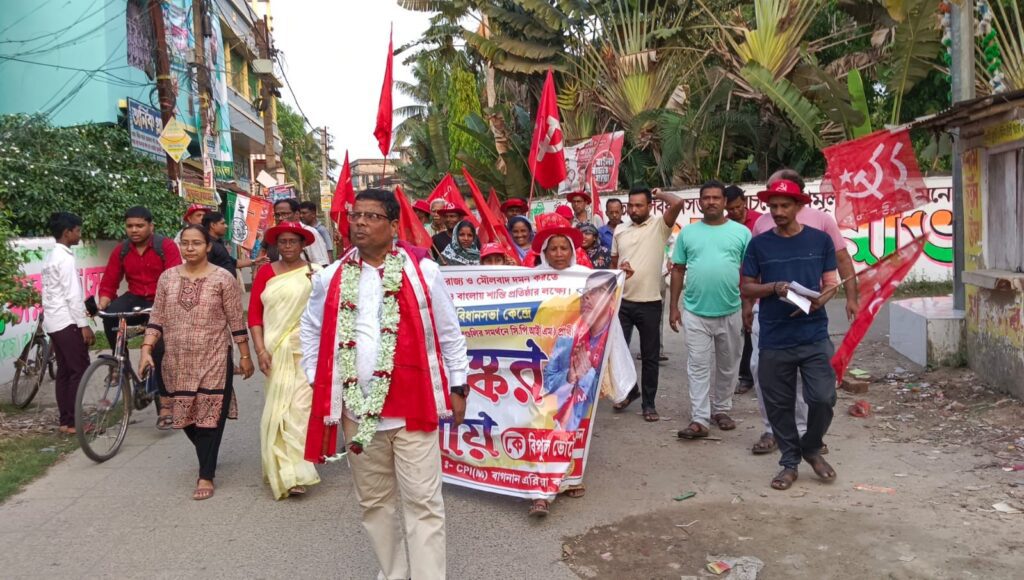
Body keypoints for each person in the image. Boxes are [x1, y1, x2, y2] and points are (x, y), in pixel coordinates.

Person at [300, 189, 469, 580]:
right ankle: (392, 573)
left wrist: (458, 385)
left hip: (414, 408)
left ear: (394, 225)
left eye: (371, 216)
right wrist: (315, 377)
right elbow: (309, 329)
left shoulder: (423, 271)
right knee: (374, 503)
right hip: (357, 411)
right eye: (355, 215)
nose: (360, 222)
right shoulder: (331, 276)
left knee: (423, 502)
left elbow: (449, 333)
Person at [139, 225, 254, 500]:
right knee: (188, 419)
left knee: (210, 418)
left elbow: (236, 320)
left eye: (196, 243)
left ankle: (205, 475)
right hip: (177, 360)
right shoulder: (167, 278)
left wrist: (245, 355)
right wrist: (146, 349)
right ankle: (207, 454)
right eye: (185, 243)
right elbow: (157, 316)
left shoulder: (222, 278)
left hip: (214, 356)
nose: (190, 248)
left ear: (208, 246)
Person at [527, 219, 633, 518]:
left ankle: (570, 478)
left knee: (578, 427)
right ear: (545, 253)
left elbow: (606, 304)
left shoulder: (587, 279)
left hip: (586, 365)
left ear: (572, 251)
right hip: (546, 365)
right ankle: (540, 491)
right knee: (545, 426)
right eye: (553, 249)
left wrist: (621, 277)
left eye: (564, 248)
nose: (559, 254)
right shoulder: (533, 281)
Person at [746, 169, 856, 455]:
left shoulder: (821, 229)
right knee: (764, 376)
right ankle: (776, 435)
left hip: (811, 325)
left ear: (799, 202)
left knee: (820, 394)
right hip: (769, 320)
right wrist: (761, 297)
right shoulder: (760, 231)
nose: (778, 211)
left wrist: (832, 297)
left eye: (784, 204)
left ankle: (808, 436)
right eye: (773, 203)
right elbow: (749, 280)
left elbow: (835, 272)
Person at [669, 180, 751, 439]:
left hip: (731, 310)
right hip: (695, 312)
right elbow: (678, 270)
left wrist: (748, 307)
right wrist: (673, 307)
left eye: (716, 198)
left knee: (728, 365)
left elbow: (751, 274)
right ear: (700, 202)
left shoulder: (741, 233)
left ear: (724, 202)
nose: (711, 202)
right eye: (707, 198)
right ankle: (700, 418)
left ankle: (722, 410)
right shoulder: (688, 233)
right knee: (698, 366)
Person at [248, 222, 322, 500]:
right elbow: (254, 315)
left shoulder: (316, 273)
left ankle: (298, 471)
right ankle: (286, 473)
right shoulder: (266, 272)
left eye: (293, 241)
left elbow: (328, 312)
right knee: (278, 409)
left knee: (300, 409)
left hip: (307, 352)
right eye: (283, 242)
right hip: (275, 351)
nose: (288, 246)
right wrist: (259, 351)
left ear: (303, 245)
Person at [97, 206, 182, 428]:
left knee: (160, 350)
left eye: (139, 226)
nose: (134, 230)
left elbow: (175, 279)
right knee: (110, 316)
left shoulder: (166, 246)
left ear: (151, 226)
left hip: (161, 299)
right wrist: (102, 304)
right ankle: (119, 363)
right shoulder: (121, 250)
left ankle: (165, 406)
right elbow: (109, 282)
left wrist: (164, 308)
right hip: (135, 297)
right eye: (130, 226)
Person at [610, 185, 686, 422]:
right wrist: (620, 269)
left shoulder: (659, 226)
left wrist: (659, 194)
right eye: (630, 205)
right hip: (622, 302)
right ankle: (629, 391)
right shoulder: (620, 230)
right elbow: (613, 265)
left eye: (639, 205)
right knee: (616, 353)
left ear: (650, 206)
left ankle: (649, 404)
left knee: (650, 357)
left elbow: (678, 203)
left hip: (650, 303)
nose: (633, 210)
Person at [41, 212, 94, 434]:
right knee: (78, 370)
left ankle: (66, 421)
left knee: (64, 371)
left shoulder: (52, 256)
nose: (79, 235)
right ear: (67, 232)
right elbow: (72, 295)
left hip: (54, 321)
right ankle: (73, 422)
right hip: (66, 321)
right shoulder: (64, 259)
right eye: (77, 231)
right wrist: (84, 325)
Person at [725, 185, 760, 394]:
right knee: (736, 333)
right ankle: (743, 376)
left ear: (744, 202)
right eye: (730, 209)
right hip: (731, 288)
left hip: (757, 285)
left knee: (753, 330)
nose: (735, 211)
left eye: (738, 207)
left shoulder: (760, 221)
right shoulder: (724, 225)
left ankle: (751, 376)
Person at [202, 211, 267, 278]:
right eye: (223, 223)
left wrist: (255, 261)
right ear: (213, 225)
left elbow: (233, 262)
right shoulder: (207, 245)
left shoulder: (218, 243)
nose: (226, 226)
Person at [271, 199, 330, 267]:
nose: (280, 218)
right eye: (277, 215)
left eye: (285, 214)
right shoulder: (278, 233)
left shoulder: (309, 232)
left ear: (297, 214)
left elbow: (321, 263)